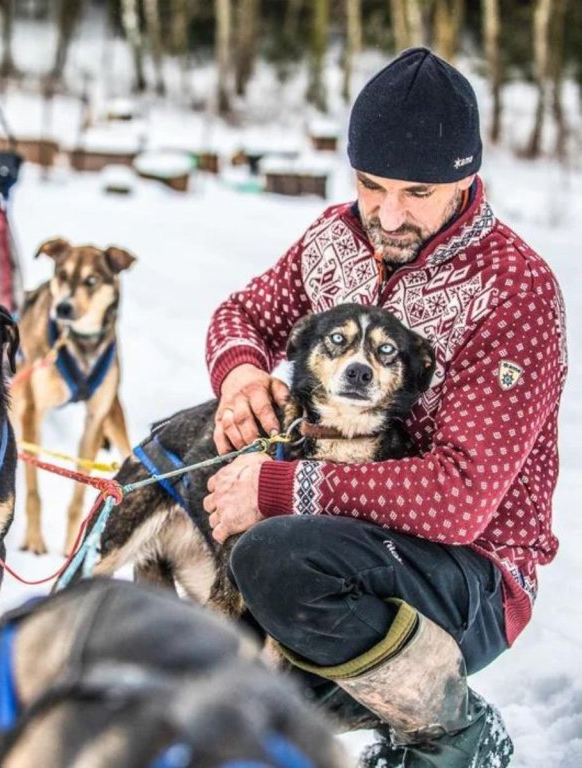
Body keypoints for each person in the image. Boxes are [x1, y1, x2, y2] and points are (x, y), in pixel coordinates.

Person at [202, 47, 567, 767]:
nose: (388, 214)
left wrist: (278, 489)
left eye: (416, 192)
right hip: (344, 532)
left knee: (278, 551)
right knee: (207, 453)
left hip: (474, 571)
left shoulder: (514, 289)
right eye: (370, 184)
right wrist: (243, 379)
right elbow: (243, 313)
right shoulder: (337, 235)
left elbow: (460, 500)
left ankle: (452, 734)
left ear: (465, 180)